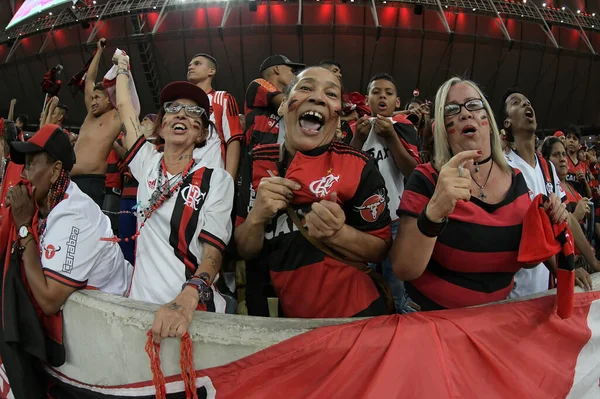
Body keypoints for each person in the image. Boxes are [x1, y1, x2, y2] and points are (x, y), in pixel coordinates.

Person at [391, 77, 568, 311]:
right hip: (432, 321)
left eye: (473, 105)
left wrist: (550, 221)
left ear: (489, 121)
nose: (465, 114)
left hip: (493, 321)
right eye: (452, 109)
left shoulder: (517, 179)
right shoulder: (426, 178)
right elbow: (404, 269)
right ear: (441, 128)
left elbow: (528, 259)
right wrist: (434, 213)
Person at [235, 66, 392, 318]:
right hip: (281, 324)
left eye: (331, 94)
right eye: (306, 87)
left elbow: (381, 248)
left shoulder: (358, 164)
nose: (318, 97)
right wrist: (257, 217)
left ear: (338, 115)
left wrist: (338, 234)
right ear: (284, 105)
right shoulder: (255, 160)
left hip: (355, 317)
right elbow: (245, 249)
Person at [115, 53, 234, 342]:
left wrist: (187, 299)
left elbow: (212, 254)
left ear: (202, 132)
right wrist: (121, 68)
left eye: (193, 112)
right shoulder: (146, 162)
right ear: (161, 125)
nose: (181, 113)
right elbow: (124, 107)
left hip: (194, 315)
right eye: (173, 108)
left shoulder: (216, 179)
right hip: (141, 308)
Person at [4, 124, 131, 315]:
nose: (23, 174)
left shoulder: (74, 215)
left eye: (30, 165)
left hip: (116, 323)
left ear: (55, 172)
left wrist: (23, 226)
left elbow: (49, 301)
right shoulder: (49, 200)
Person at [500, 89, 598, 296]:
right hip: (515, 291)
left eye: (528, 101)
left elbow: (568, 218)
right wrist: (564, 269)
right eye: (517, 103)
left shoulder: (547, 167)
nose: (527, 105)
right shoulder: (503, 166)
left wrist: (594, 262)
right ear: (507, 122)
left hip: (545, 287)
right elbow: (529, 228)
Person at [350, 73, 419, 313]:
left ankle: (400, 336)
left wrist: (391, 137)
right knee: (364, 288)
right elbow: (345, 173)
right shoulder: (354, 128)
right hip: (361, 225)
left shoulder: (405, 127)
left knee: (397, 288)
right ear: (366, 99)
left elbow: (412, 172)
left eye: (388, 93)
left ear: (397, 102)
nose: (382, 96)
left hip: (396, 220)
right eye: (376, 92)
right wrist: (357, 139)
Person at [71, 38, 122, 208]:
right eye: (91, 98)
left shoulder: (115, 116)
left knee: (85, 231)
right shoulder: (90, 117)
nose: (92, 101)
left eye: (97, 98)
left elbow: (124, 97)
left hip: (92, 182)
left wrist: (121, 67)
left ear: (109, 100)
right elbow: (89, 80)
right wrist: (99, 52)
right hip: (70, 181)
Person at [541, 137, 597, 283]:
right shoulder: (547, 189)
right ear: (545, 161)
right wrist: (576, 214)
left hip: (585, 259)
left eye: (564, 154)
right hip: (565, 264)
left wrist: (593, 261)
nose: (562, 159)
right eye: (556, 155)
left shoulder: (573, 187)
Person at [187, 53, 244, 179]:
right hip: (179, 177)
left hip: (210, 177)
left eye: (197, 63)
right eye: (189, 65)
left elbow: (233, 140)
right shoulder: (181, 104)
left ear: (211, 71)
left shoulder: (222, 98)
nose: (190, 67)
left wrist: (228, 181)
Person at [244, 55, 304, 148]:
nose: (295, 76)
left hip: (281, 155)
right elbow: (287, 104)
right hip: (259, 156)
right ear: (277, 69)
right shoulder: (258, 84)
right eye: (292, 71)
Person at [564, 125, 592, 198]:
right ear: (565, 141)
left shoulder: (584, 167)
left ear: (579, 145)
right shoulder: (561, 162)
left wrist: (584, 182)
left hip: (581, 205)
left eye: (575, 138)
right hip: (565, 206)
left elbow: (589, 195)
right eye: (568, 137)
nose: (571, 140)